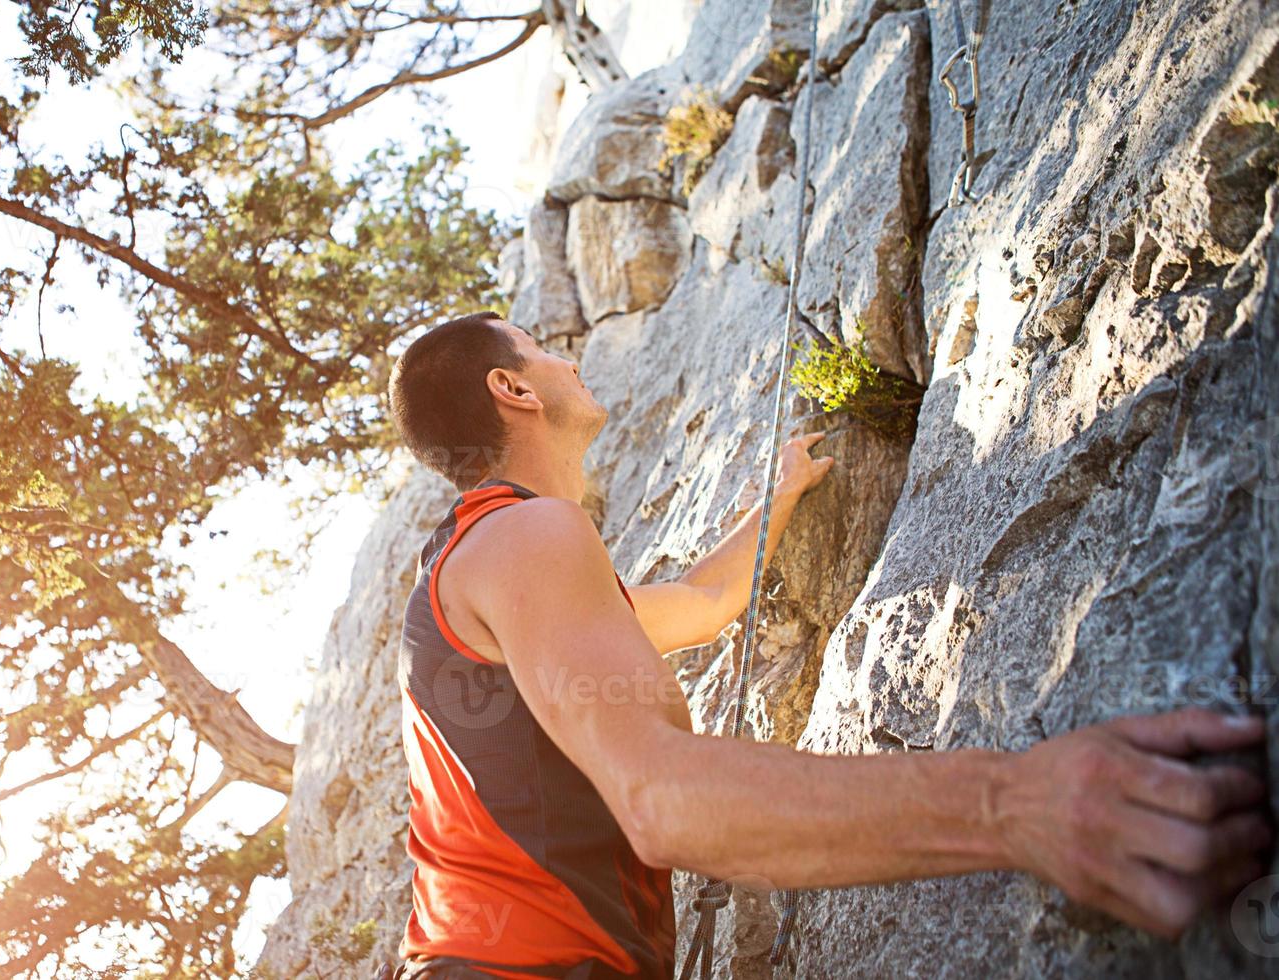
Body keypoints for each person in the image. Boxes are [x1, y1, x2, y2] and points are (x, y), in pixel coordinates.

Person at [378, 311, 1271, 980]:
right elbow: (660, 799)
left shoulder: (498, 565)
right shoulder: (524, 537)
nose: (568, 356)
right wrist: (1017, 800)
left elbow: (700, 599)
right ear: (515, 389)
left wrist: (782, 496)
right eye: (541, 346)